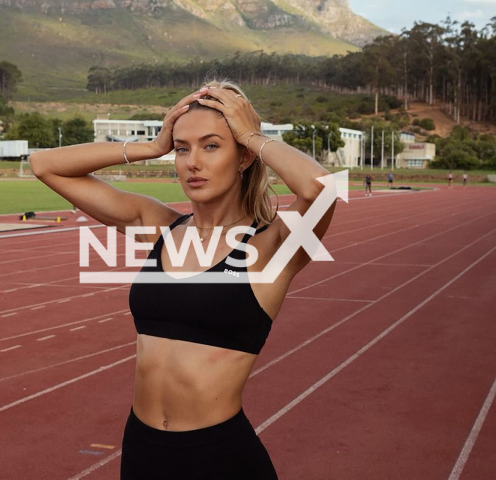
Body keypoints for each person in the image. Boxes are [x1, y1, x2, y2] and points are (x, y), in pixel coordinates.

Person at [29, 80, 336, 480]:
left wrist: (253, 136)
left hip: (218, 459)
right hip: (143, 451)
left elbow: (320, 189)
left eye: (211, 146)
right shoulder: (158, 226)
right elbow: (44, 165)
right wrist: (151, 147)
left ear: (242, 157)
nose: (193, 162)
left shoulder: (272, 244)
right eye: (182, 148)